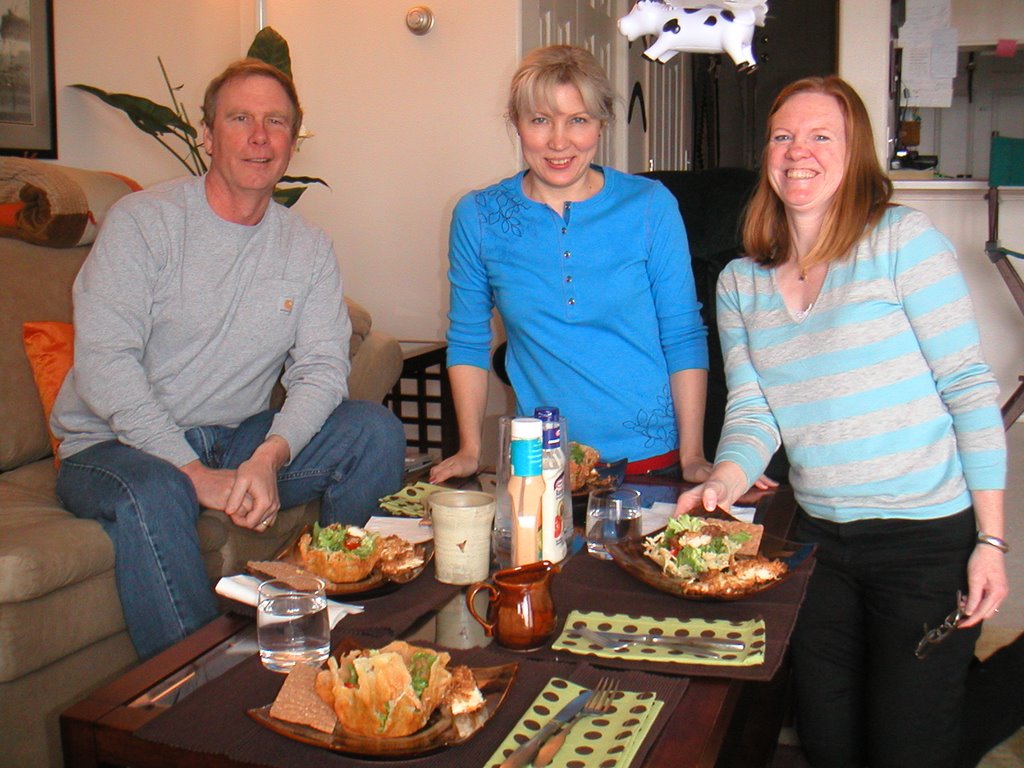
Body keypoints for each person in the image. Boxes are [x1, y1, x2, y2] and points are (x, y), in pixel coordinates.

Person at [677, 75, 1008, 767]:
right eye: (783, 136)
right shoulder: (740, 282)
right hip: (821, 543)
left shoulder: (901, 241)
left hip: (923, 541)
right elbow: (754, 408)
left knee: (908, 750)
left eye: (821, 136)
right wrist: (725, 479)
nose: (799, 151)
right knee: (829, 744)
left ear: (854, 152)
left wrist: (992, 541)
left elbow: (968, 386)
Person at [50, 59, 406, 660]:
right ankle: (196, 689)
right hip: (113, 448)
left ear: (292, 142)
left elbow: (321, 369)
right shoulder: (144, 223)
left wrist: (269, 456)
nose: (259, 137)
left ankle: (351, 646)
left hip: (235, 437)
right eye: (240, 119)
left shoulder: (308, 247)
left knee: (373, 431)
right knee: (160, 490)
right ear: (208, 135)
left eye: (276, 122)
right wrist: (193, 473)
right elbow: (106, 364)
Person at [431, 44, 714, 485]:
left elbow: (682, 333)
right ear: (516, 123)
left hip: (650, 461)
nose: (559, 142)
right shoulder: (479, 216)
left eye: (578, 120)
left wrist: (693, 456)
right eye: (540, 120)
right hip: (541, 465)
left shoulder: (650, 206)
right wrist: (470, 449)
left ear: (602, 123)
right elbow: (468, 339)